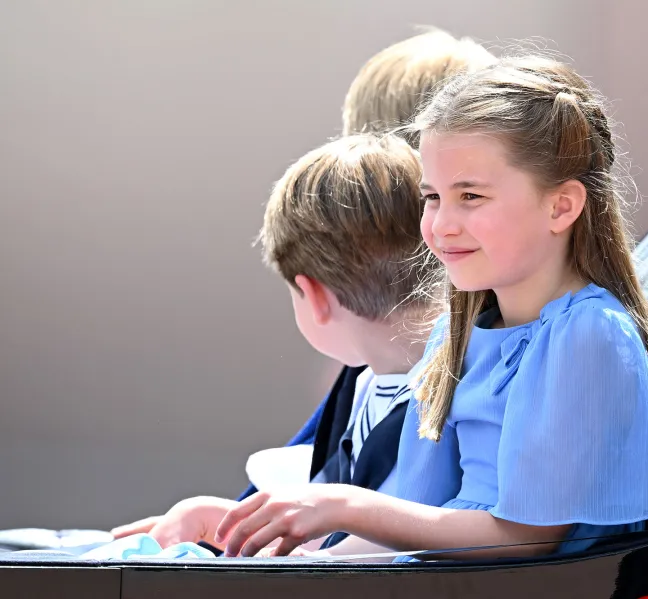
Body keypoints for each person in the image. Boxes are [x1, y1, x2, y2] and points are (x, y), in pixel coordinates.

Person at [213, 54, 648, 562]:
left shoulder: (587, 336)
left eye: (471, 196)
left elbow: (527, 540)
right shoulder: (459, 331)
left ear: (561, 205)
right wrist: (302, 561)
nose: (440, 225)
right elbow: (415, 509)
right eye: (432, 197)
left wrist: (343, 505)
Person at [110, 29, 496, 550]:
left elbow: (409, 542)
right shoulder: (382, 373)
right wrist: (221, 521)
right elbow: (332, 516)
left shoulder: (476, 372)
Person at [111, 133, 435, 554]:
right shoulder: (368, 385)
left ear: (314, 296)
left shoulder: (451, 389)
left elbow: (399, 538)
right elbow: (327, 523)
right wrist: (226, 521)